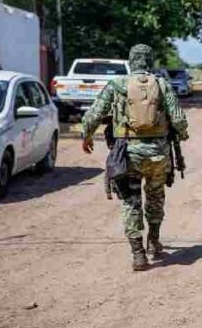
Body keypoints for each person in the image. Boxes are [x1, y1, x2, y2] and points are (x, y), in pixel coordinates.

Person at [81, 44, 189, 272]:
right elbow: (178, 119)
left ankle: (138, 255)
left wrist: (86, 135)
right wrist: (182, 134)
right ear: (149, 62)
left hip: (128, 155)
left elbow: (94, 114)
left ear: (131, 62)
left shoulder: (117, 85)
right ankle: (154, 241)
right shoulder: (161, 84)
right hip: (159, 155)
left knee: (131, 201)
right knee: (156, 196)